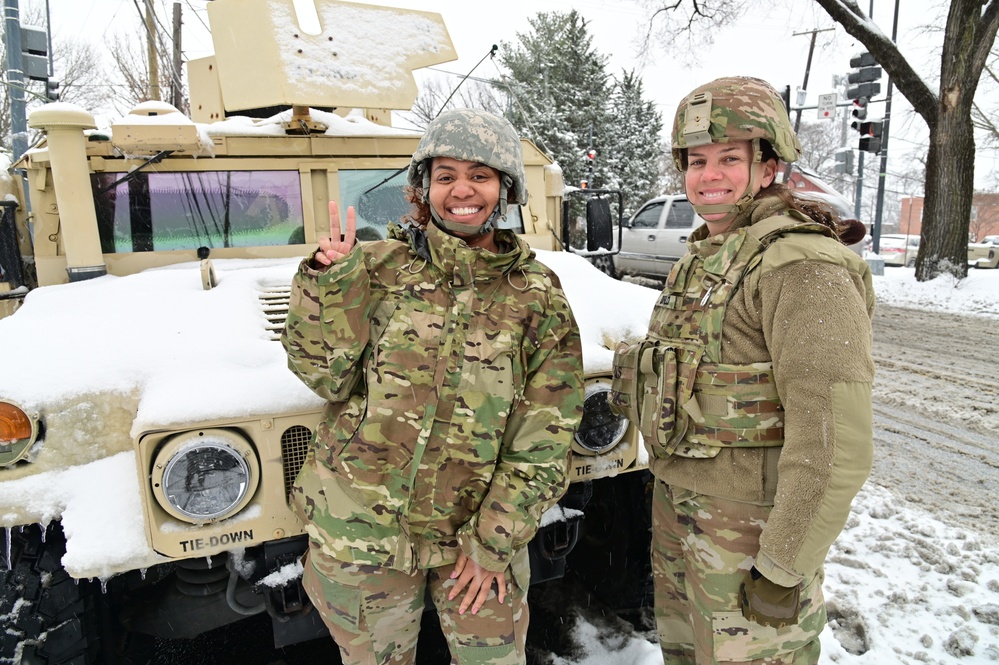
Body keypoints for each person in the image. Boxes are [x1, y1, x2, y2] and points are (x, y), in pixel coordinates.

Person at [282, 107, 584, 665]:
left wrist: (494, 539)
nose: (462, 190)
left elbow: (547, 431)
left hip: (474, 539)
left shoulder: (536, 293)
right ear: (424, 188)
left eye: (480, 175)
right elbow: (325, 376)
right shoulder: (374, 267)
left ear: (505, 188)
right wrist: (330, 285)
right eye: (445, 176)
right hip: (361, 532)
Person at [609, 76, 874, 664]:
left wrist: (784, 564)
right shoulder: (703, 257)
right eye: (697, 160)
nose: (710, 175)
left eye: (730, 158)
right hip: (684, 520)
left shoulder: (800, 264)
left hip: (751, 538)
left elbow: (835, 441)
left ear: (769, 166)